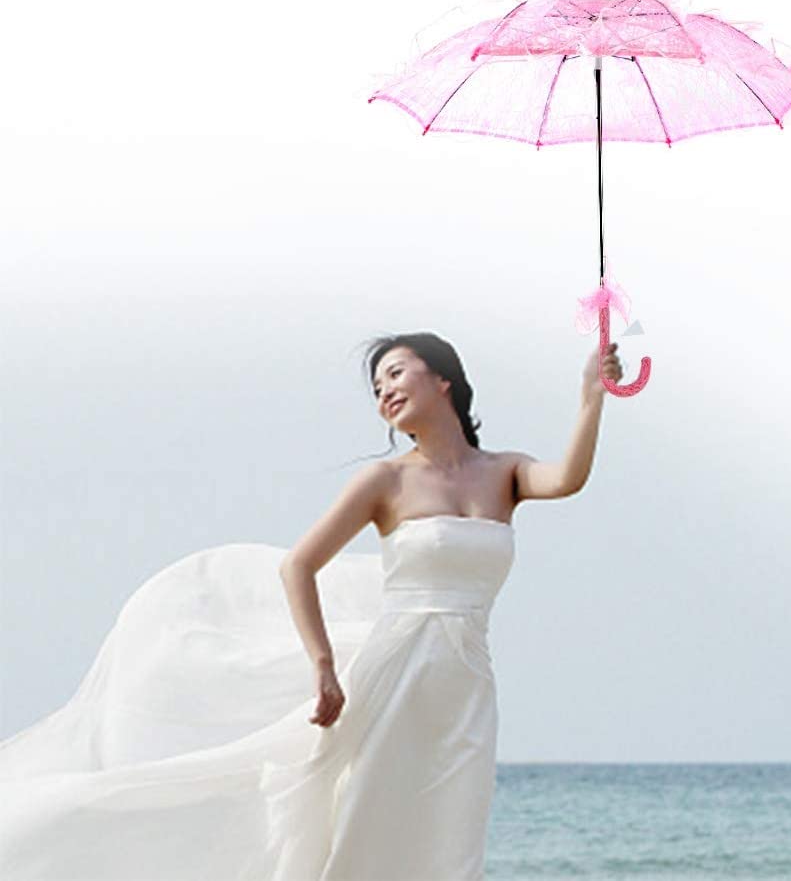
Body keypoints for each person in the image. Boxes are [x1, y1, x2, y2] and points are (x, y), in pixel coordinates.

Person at [0, 331, 623, 880]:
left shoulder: (506, 471)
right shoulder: (384, 481)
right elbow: (297, 566)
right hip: (395, 678)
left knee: (453, 844)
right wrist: (323, 665)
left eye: (396, 373)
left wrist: (591, 395)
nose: (385, 392)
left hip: (467, 687)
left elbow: (567, 477)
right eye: (377, 388)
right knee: (369, 832)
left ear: (444, 380)